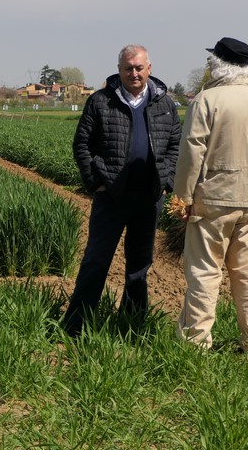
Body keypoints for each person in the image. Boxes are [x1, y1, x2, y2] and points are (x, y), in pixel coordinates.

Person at [173, 37, 248, 352]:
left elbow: (191, 153)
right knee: (247, 271)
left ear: (217, 64)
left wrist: (181, 199)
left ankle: (195, 344)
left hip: (213, 200)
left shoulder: (206, 100)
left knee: (205, 271)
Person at [62, 44, 181, 336]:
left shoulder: (164, 104)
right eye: (128, 68)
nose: (134, 73)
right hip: (111, 195)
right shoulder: (101, 101)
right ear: (119, 70)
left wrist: (167, 182)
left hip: (149, 196)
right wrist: (96, 181)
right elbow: (82, 145)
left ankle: (133, 324)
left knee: (139, 264)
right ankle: (76, 324)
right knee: (97, 259)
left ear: (149, 69)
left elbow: (176, 145)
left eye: (139, 68)